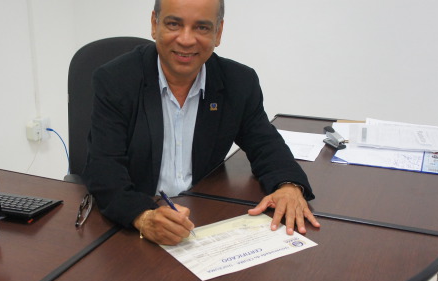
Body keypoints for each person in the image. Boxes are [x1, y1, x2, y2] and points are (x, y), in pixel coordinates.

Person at [83, 0, 320, 245]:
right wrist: (143, 217)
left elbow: (265, 143)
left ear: (218, 33)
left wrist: (289, 186)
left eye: (202, 28)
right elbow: (104, 170)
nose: (186, 40)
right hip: (133, 226)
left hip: (202, 220)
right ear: (154, 25)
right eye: (174, 24)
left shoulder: (239, 82)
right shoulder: (115, 80)